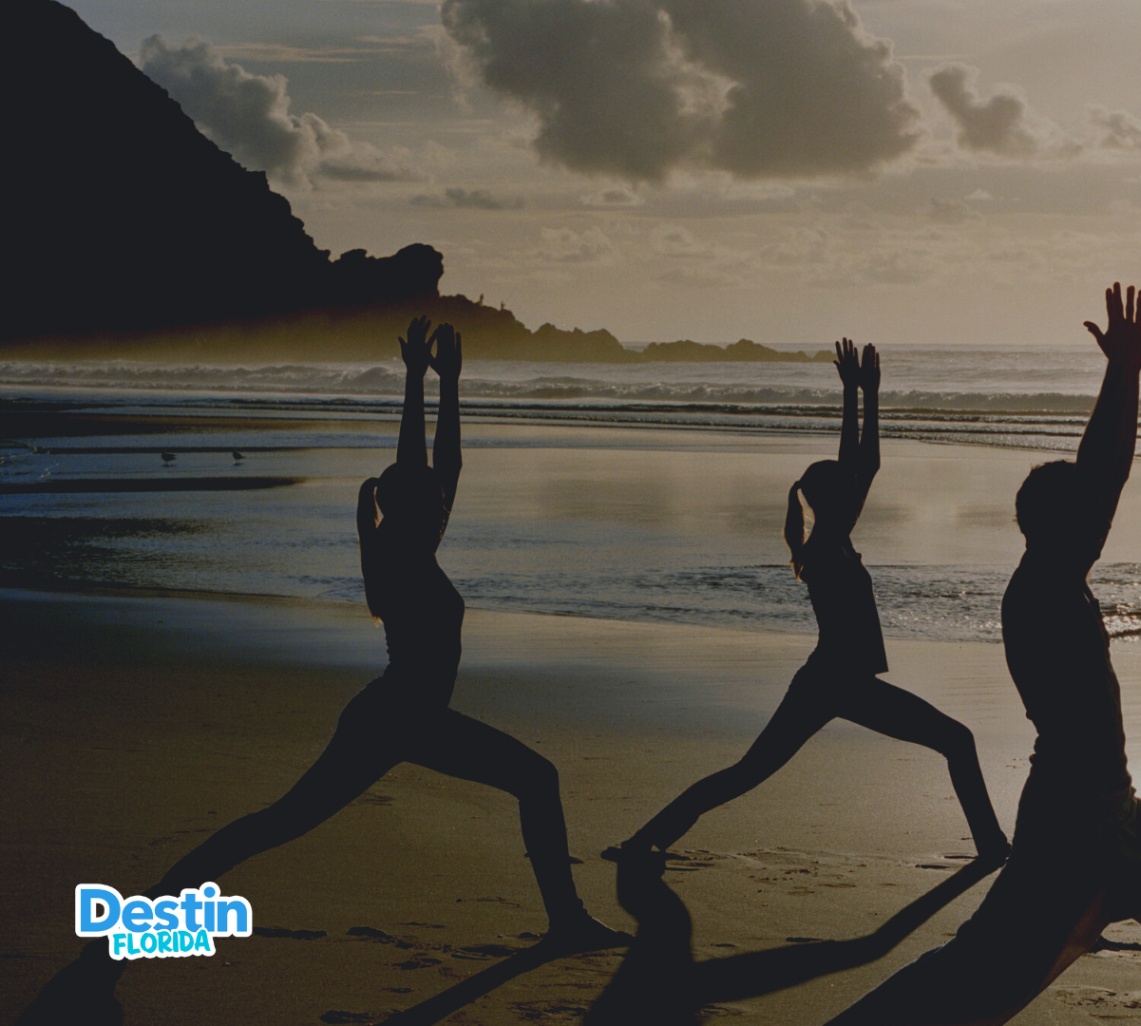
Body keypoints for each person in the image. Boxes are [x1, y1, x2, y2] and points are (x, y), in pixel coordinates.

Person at [22, 318, 624, 1023]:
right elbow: (429, 469)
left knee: (507, 783)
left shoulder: (407, 541)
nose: (444, 495)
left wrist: (435, 384)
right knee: (277, 825)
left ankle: (567, 921)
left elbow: (438, 468)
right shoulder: (398, 554)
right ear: (410, 509)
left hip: (404, 716)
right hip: (397, 716)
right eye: (431, 496)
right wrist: (423, 387)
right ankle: (117, 942)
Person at [823, 285, 1141, 1026]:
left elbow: (1104, 477)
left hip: (1118, 816)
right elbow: (1105, 473)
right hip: (1074, 826)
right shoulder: (1044, 588)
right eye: (1086, 512)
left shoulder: (1056, 577)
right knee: (983, 970)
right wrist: (1122, 372)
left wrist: (1129, 374)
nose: (1103, 519)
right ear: (1055, 524)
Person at [605, 339, 1008, 862]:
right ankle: (994, 848)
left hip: (831, 682)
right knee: (953, 741)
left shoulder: (833, 538)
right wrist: (862, 396)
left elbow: (864, 464)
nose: (858, 486)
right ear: (833, 499)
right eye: (847, 487)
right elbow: (864, 462)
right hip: (836, 684)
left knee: (748, 773)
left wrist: (861, 395)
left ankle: (644, 840)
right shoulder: (824, 545)